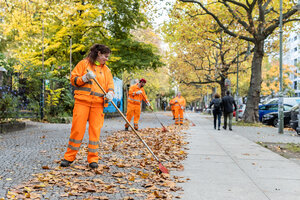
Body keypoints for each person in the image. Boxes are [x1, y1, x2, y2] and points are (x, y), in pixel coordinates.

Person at [60, 44, 114, 169]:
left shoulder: (107, 71)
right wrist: (84, 78)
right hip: (82, 102)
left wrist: (110, 93)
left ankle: (93, 159)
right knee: (77, 130)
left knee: (95, 132)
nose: (107, 59)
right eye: (105, 56)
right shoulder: (83, 64)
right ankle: (69, 158)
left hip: (98, 105)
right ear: (99, 53)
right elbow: (73, 80)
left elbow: (110, 86)